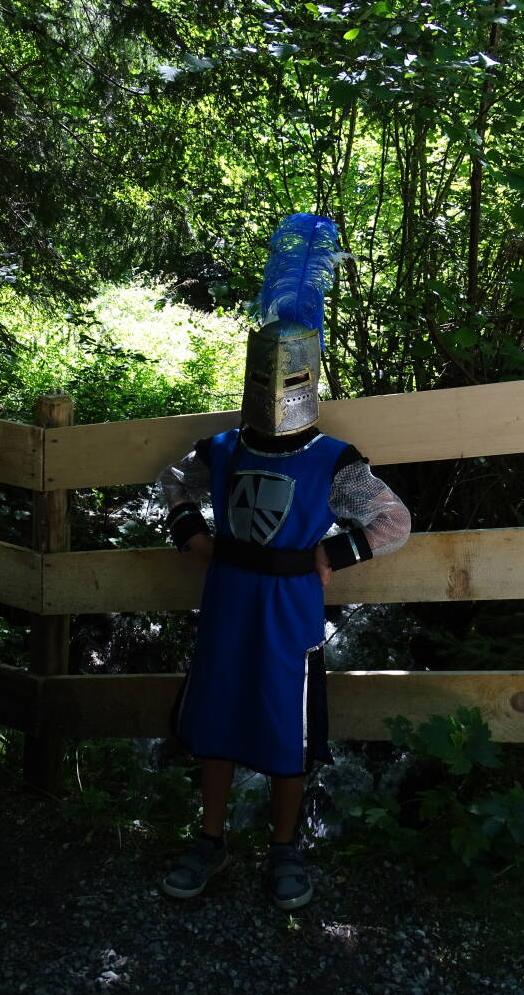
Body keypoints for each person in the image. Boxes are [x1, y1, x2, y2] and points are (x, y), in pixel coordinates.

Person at [158, 214, 410, 909]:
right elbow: (174, 480)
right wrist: (193, 535)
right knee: (216, 717)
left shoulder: (331, 460)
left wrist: (332, 551)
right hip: (227, 601)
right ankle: (209, 837)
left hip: (290, 612)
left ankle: (285, 847)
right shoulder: (224, 447)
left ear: (308, 374)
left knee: (285, 726)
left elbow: (393, 521)